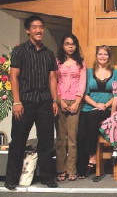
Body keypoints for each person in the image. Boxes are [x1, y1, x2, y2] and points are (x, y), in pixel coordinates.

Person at [5, 15, 59, 190]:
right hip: (25, 102)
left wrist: (54, 100)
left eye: (41, 27)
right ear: (28, 30)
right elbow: (14, 76)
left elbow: (52, 79)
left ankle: (46, 177)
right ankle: (11, 178)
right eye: (35, 27)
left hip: (44, 101)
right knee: (18, 140)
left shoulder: (49, 53)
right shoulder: (20, 51)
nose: (39, 30)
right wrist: (17, 102)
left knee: (46, 141)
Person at [76, 45, 117, 179]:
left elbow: (116, 94)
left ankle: (93, 155)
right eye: (100, 54)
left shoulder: (115, 72)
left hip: (106, 108)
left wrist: (104, 105)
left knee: (94, 117)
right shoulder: (88, 72)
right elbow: (84, 93)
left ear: (109, 56)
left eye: (105, 54)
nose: (102, 56)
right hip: (89, 107)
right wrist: (95, 104)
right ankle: (81, 168)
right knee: (82, 131)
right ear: (96, 56)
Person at [55, 34, 86, 182]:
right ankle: (60, 169)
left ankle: (71, 170)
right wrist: (59, 100)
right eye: (67, 44)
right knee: (61, 138)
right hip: (60, 101)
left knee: (72, 139)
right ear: (63, 46)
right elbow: (53, 82)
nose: (70, 46)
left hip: (75, 101)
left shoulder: (80, 63)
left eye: (73, 44)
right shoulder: (57, 62)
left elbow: (82, 83)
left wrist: (77, 102)